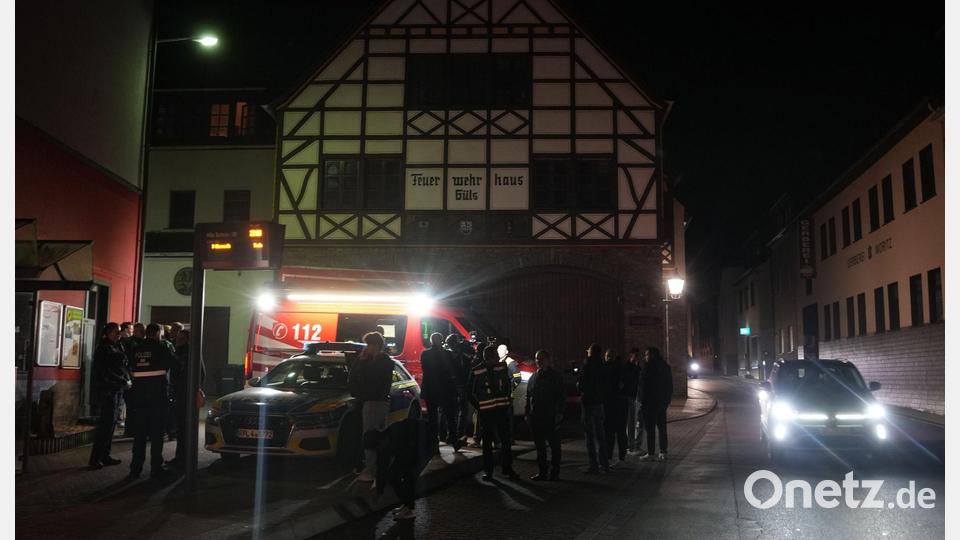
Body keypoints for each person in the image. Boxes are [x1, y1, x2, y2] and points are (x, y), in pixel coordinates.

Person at [127, 323, 175, 479]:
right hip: (158, 398)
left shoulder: (136, 350)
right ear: (157, 334)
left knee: (140, 435)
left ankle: (135, 468)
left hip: (139, 398)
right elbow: (176, 364)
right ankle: (156, 467)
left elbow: (129, 367)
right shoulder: (161, 348)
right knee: (157, 435)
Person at [348, 332, 394, 483]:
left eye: (368, 344)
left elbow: (370, 379)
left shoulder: (381, 360)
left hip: (374, 402)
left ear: (375, 345)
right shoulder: (380, 360)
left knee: (370, 436)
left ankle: (370, 470)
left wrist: (362, 361)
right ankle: (377, 468)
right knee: (377, 436)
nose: (366, 348)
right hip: (377, 402)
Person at [468, 345, 517, 481]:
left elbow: (507, 384)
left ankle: (507, 468)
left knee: (506, 441)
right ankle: (488, 471)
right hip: (487, 412)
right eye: (494, 355)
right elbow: (470, 392)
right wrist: (479, 406)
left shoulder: (501, 367)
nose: (497, 357)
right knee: (488, 443)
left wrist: (507, 398)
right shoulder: (476, 371)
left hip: (501, 410)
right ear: (487, 357)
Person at [88, 322, 131, 470]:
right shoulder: (104, 349)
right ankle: (96, 458)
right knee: (105, 425)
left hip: (117, 389)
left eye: (119, 332)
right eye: (115, 332)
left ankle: (105, 455)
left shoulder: (118, 345)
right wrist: (122, 380)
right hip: (108, 391)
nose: (118, 334)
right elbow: (104, 372)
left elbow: (123, 366)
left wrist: (126, 379)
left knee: (111, 424)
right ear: (107, 333)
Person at [371, 416, 431, 521]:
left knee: (409, 476)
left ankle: (410, 509)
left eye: (378, 446)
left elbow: (410, 457)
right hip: (410, 449)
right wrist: (379, 491)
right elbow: (382, 467)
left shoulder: (398, 432)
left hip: (426, 445)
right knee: (392, 475)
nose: (379, 449)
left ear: (382, 440)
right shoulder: (383, 444)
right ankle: (406, 504)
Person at [167, 329, 206, 469]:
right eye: (178, 338)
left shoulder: (186, 352)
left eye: (181, 338)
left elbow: (199, 373)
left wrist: (192, 390)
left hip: (184, 396)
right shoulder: (185, 352)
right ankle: (182, 458)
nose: (178, 340)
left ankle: (183, 460)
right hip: (181, 395)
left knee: (184, 428)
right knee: (183, 429)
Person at [525, 350, 565, 481]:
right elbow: (529, 396)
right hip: (536, 417)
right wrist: (527, 413)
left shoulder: (555, 377)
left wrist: (559, 413)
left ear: (548, 360)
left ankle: (554, 472)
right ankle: (543, 472)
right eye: (537, 359)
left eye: (541, 359)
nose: (539, 361)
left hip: (550, 416)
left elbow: (561, 396)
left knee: (554, 446)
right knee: (540, 447)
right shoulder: (533, 377)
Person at [420, 332, 460, 453]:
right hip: (445, 389)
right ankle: (453, 440)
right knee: (450, 416)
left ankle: (434, 443)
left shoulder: (425, 354)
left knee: (432, 418)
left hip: (431, 389)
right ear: (442, 341)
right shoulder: (447, 354)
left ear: (431, 341)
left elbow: (425, 370)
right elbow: (453, 371)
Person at [578, 343, 609, 473]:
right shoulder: (603, 366)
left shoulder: (587, 365)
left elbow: (582, 384)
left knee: (590, 435)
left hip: (589, 403)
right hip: (599, 403)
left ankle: (593, 465)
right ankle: (604, 463)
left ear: (591, 352)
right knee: (601, 434)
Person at [640, 346, 673, 461]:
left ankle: (651, 453)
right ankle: (663, 452)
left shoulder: (648, 368)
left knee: (650, 429)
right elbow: (669, 386)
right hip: (660, 403)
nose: (645, 357)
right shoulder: (665, 367)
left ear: (652, 355)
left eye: (646, 354)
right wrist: (666, 401)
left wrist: (641, 401)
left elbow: (643, 387)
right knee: (662, 428)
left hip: (649, 403)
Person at [602, 349, 628, 465]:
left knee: (610, 432)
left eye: (608, 356)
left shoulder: (605, 369)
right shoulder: (621, 368)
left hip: (611, 403)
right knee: (620, 431)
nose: (607, 358)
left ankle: (609, 455)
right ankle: (621, 456)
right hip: (620, 403)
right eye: (607, 356)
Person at [443, 333, 470, 445]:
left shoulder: (446, 356)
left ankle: (451, 434)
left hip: (452, 386)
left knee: (452, 412)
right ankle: (458, 434)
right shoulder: (461, 357)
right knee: (461, 411)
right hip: (459, 386)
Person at [623, 347, 644, 454]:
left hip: (637, 397)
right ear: (631, 355)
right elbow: (629, 380)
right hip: (630, 397)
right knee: (630, 422)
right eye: (635, 355)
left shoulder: (637, 367)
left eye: (637, 355)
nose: (636, 357)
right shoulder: (628, 367)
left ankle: (635, 445)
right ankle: (630, 446)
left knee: (638, 422)